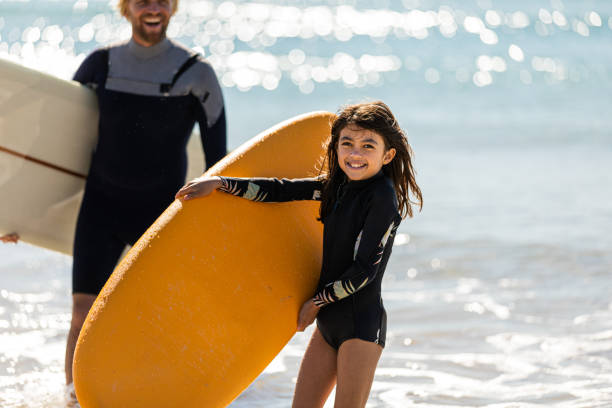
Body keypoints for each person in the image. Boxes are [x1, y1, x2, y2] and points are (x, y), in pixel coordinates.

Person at [1, 0, 227, 399]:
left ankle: (153, 396)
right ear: (125, 8)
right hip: (101, 207)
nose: (152, 9)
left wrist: (213, 230)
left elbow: (217, 165)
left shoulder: (198, 74)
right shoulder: (100, 65)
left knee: (154, 318)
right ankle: (75, 398)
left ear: (173, 7)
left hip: (158, 215)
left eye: (161, 0)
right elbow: (58, 149)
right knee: (82, 314)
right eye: (142, 1)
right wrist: (18, 212)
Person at [175, 101, 422, 408]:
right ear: (336, 147)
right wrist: (221, 183)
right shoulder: (338, 187)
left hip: (360, 324)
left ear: (387, 155)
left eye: (367, 145)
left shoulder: (383, 198)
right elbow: (281, 191)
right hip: (330, 323)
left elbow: (364, 271)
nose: (355, 154)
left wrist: (316, 303)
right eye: (347, 143)